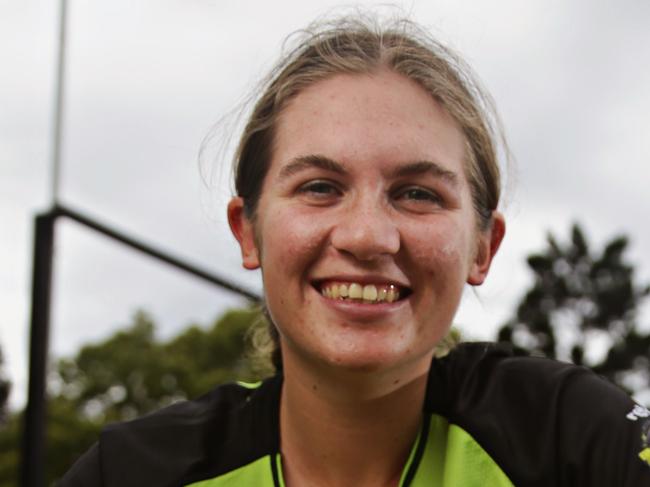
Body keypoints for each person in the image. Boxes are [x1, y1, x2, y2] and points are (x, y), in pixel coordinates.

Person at [61, 15, 650, 487]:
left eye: (417, 194)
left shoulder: (564, 436)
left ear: (482, 247)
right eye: (319, 187)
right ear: (248, 230)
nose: (367, 235)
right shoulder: (135, 471)